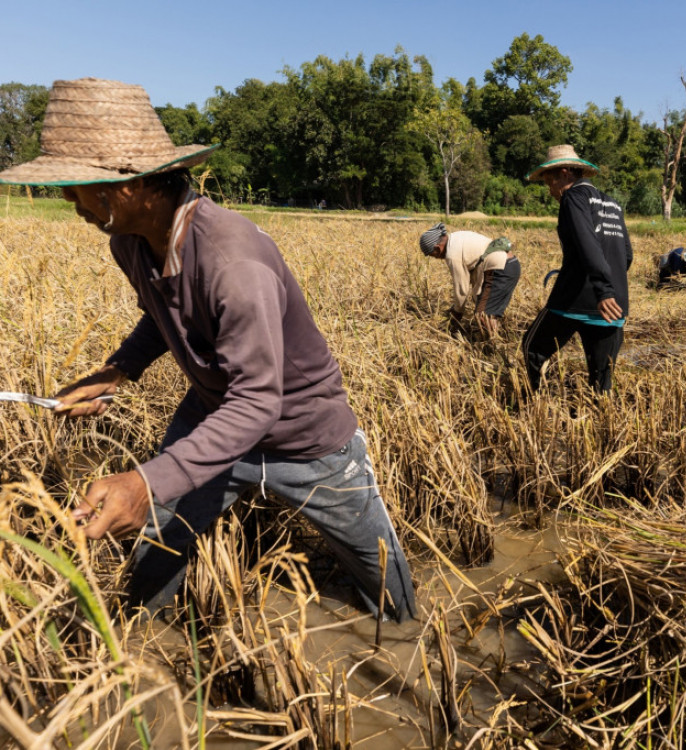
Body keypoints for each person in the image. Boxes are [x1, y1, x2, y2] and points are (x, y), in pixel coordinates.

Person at [0, 78, 416, 622]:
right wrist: (117, 370)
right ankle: (136, 646)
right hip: (213, 418)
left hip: (307, 438)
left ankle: (409, 641)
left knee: (388, 587)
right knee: (156, 552)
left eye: (75, 185)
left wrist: (147, 481)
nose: (66, 200)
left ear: (127, 185)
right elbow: (161, 313)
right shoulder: (128, 241)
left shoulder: (232, 262)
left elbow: (258, 402)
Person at [521, 145, 632, 394]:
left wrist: (602, 290)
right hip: (614, 305)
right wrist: (610, 289)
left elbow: (586, 243)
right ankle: (602, 424)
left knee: (533, 347)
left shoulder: (574, 197)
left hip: (575, 299)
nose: (550, 190)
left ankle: (534, 403)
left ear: (563, 173)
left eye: (549, 182)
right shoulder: (613, 204)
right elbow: (626, 255)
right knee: (601, 377)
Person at [418, 223, 521, 338]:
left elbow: (462, 290)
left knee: (483, 314)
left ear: (437, 248)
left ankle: (493, 346)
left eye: (433, 255)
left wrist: (456, 316)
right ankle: (494, 338)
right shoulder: (456, 238)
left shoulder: (452, 254)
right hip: (511, 265)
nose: (437, 258)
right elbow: (477, 275)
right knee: (487, 310)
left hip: (500, 270)